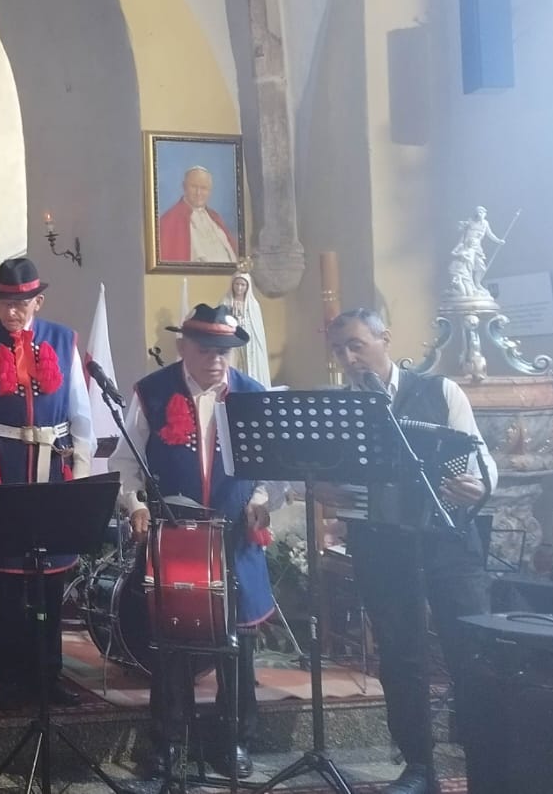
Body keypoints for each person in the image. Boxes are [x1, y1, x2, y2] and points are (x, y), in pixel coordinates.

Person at [319, 308, 496, 794]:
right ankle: (418, 766)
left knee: (471, 651)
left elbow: (482, 461)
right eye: (339, 349)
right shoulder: (338, 409)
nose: (349, 358)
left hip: (450, 541)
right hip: (380, 546)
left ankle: (489, 759)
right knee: (400, 657)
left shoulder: (441, 391)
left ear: (385, 339)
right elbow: (318, 473)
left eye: (356, 345)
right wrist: (321, 487)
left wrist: (477, 485)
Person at [110, 303, 276, 781]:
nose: (217, 360)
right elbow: (125, 461)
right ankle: (168, 742)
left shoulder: (252, 395)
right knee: (173, 643)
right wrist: (135, 504)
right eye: (206, 350)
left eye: (225, 351)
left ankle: (235, 739)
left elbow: (272, 467)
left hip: (236, 533)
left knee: (239, 641)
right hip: (177, 535)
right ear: (183, 346)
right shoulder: (152, 392)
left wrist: (262, 498)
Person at [0, 257, 94, 709]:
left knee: (50, 577)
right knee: (5, 577)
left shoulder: (63, 340)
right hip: (5, 467)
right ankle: (9, 677)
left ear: (38, 302)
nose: (11, 311)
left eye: (19, 303)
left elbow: (81, 413)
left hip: (54, 468)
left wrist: (81, 474)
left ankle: (48, 673)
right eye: (3, 303)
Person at [157, 166, 237, 264]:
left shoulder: (215, 217)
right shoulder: (169, 221)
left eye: (204, 188)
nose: (198, 193)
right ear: (184, 187)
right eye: (194, 186)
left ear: (210, 190)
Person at [221, 272, 271, 385]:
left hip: (248, 341)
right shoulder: (225, 301)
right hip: (231, 338)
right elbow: (220, 320)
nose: (239, 288)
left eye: (242, 285)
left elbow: (256, 327)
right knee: (234, 361)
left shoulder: (253, 305)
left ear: (247, 287)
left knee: (248, 363)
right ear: (232, 285)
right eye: (237, 284)